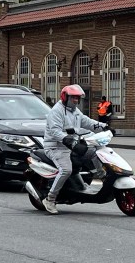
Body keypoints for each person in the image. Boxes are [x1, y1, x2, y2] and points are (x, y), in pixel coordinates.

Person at [42, 84, 106, 214]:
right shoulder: (56, 111)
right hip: (56, 147)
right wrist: (67, 140)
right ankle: (50, 199)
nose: (76, 101)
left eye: (77, 98)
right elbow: (55, 131)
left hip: (71, 145)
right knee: (66, 170)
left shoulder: (75, 111)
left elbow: (87, 122)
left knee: (95, 153)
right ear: (65, 97)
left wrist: (104, 126)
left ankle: (103, 178)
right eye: (73, 98)